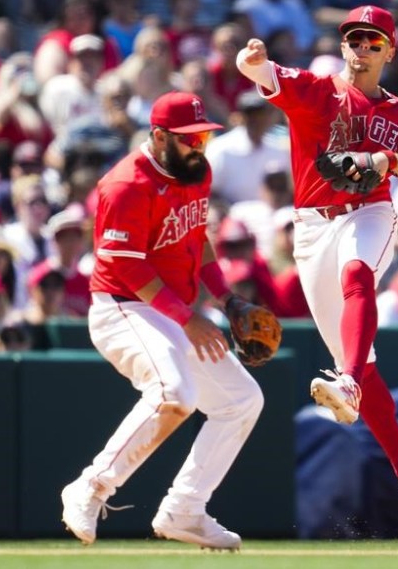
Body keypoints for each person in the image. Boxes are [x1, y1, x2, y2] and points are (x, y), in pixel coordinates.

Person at [236, 5, 398, 536]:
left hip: (370, 213)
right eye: (355, 38)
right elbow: (260, 72)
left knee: (358, 277)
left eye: (375, 41)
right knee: (366, 365)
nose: (363, 47)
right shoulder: (317, 89)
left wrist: (388, 161)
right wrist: (253, 61)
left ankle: (346, 383)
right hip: (310, 228)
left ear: (390, 51)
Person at [59, 91, 263, 550]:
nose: (199, 145)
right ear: (159, 136)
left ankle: (185, 510)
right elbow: (128, 267)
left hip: (173, 311)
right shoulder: (125, 184)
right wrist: (189, 319)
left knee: (242, 400)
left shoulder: (197, 170)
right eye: (189, 138)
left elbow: (198, 240)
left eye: (204, 135)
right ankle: (89, 488)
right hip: (123, 307)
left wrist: (228, 300)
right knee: (175, 393)